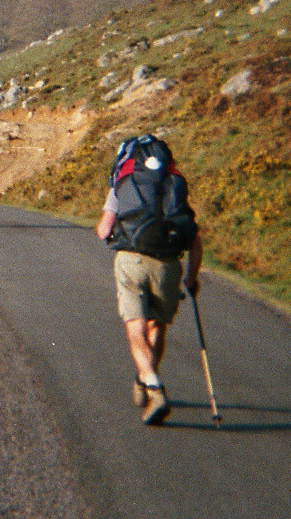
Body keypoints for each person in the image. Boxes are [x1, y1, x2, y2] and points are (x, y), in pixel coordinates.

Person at [95, 134, 202, 425]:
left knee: (136, 328)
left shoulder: (125, 182)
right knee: (157, 326)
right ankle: (145, 378)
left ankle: (153, 385)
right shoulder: (173, 183)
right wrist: (191, 279)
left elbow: (104, 229)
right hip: (168, 265)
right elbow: (193, 238)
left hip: (131, 260)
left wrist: (113, 232)